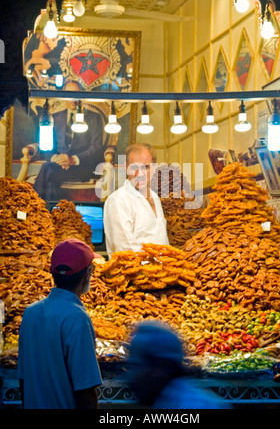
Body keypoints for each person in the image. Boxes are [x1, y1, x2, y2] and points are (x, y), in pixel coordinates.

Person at [17, 238, 102, 409]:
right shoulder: (77, 318)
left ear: (52, 273)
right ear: (88, 273)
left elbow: (23, 379)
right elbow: (85, 389)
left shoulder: (30, 312)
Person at [126, 320, 230, 409]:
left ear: (159, 368)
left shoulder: (193, 405)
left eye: (136, 367)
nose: (130, 378)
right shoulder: (167, 402)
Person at [33, 80, 104, 201]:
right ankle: (54, 213)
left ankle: (32, 205)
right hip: (58, 166)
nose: (73, 99)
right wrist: (58, 159)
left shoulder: (94, 118)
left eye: (76, 94)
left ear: (82, 96)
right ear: (63, 97)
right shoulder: (54, 118)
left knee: (46, 168)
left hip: (83, 167)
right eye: (69, 95)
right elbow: (48, 146)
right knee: (50, 185)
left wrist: (73, 159)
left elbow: (96, 148)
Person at [103, 143, 169, 257]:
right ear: (126, 167)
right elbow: (124, 249)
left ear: (154, 168)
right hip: (133, 274)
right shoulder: (118, 200)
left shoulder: (155, 198)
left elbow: (163, 240)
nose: (140, 174)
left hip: (161, 273)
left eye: (146, 167)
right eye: (134, 167)